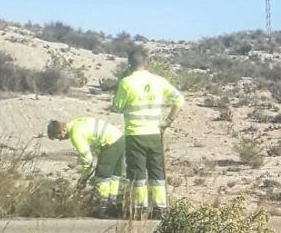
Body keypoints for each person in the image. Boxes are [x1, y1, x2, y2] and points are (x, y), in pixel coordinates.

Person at [111, 48, 183, 219]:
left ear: (129, 63)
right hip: (154, 134)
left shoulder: (126, 82)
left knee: (137, 172)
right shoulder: (159, 81)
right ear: (146, 62)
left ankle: (139, 207)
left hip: (135, 134)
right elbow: (179, 100)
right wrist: (168, 121)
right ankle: (160, 208)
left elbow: (117, 107)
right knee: (156, 171)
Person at [47, 116, 125, 217]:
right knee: (114, 175)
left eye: (59, 137)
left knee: (102, 177)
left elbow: (88, 160)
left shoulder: (75, 134)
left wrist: (83, 179)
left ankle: (102, 208)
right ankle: (113, 205)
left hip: (110, 143)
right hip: (120, 139)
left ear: (63, 130)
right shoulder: (76, 122)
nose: (60, 140)